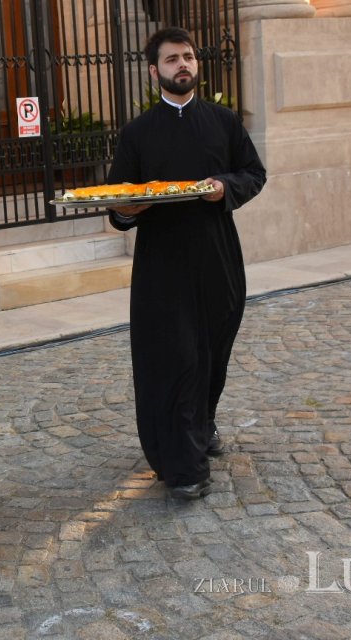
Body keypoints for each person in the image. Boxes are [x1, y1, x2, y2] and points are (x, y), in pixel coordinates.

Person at [106, 27, 266, 501]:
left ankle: (204, 420)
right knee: (176, 357)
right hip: (163, 264)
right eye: (172, 59)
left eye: (189, 57)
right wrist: (127, 211)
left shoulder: (223, 121)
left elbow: (254, 174)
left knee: (213, 351)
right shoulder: (137, 133)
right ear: (154, 71)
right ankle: (184, 464)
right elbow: (120, 202)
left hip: (218, 254)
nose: (184, 65)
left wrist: (223, 188)